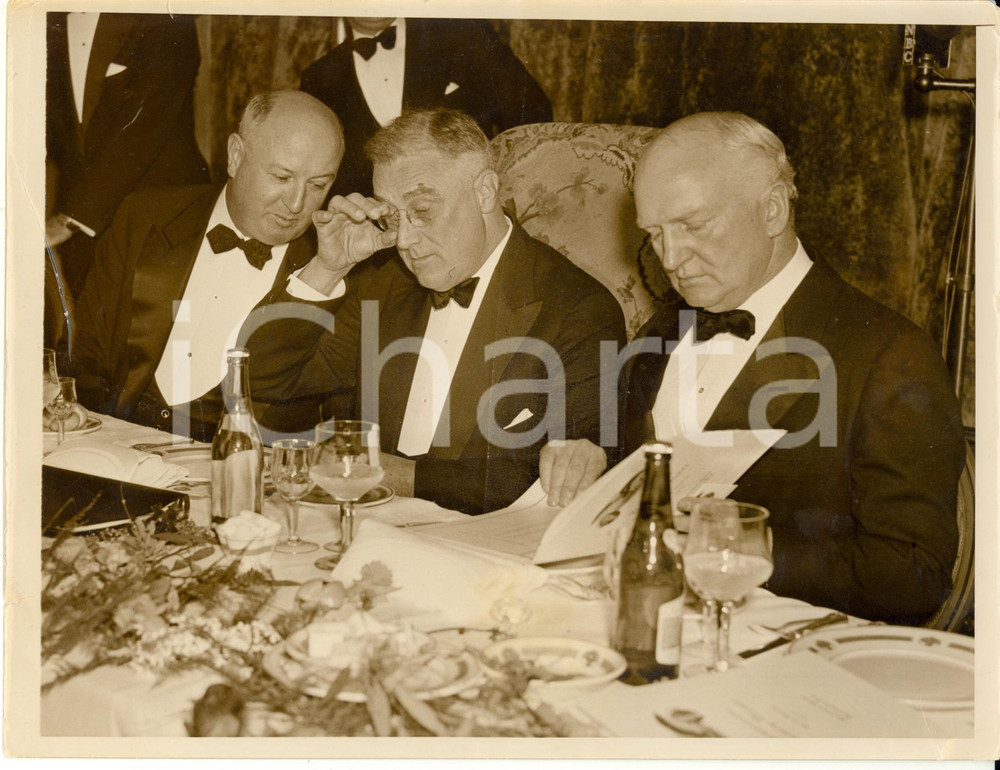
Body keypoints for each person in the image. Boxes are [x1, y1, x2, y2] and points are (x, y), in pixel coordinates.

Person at [540, 112, 965, 625]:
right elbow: (634, 473)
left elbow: (915, 574)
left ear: (771, 210)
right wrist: (590, 460)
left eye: (693, 225)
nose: (671, 258)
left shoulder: (889, 355)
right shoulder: (661, 332)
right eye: (654, 234)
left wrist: (730, 546)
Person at [247, 109, 626, 514]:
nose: (405, 240)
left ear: (484, 192)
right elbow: (264, 380)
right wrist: (329, 266)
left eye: (423, 211)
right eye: (393, 216)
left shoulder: (581, 310)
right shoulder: (384, 285)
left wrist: (388, 473)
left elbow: (553, 477)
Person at [72, 90, 349, 442]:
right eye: (281, 177)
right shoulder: (144, 217)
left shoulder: (331, 268)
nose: (296, 204)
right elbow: (86, 352)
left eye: (318, 185)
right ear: (235, 156)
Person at [46, 12, 209, 298]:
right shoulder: (41, 17)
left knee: (169, 336)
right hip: (79, 231)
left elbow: (146, 127)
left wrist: (75, 217)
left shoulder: (167, 17)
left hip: (160, 221)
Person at [300, 17, 552, 198]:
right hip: (373, 251)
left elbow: (532, 114)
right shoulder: (319, 77)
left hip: (465, 220)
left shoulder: (462, 33)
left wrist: (503, 192)